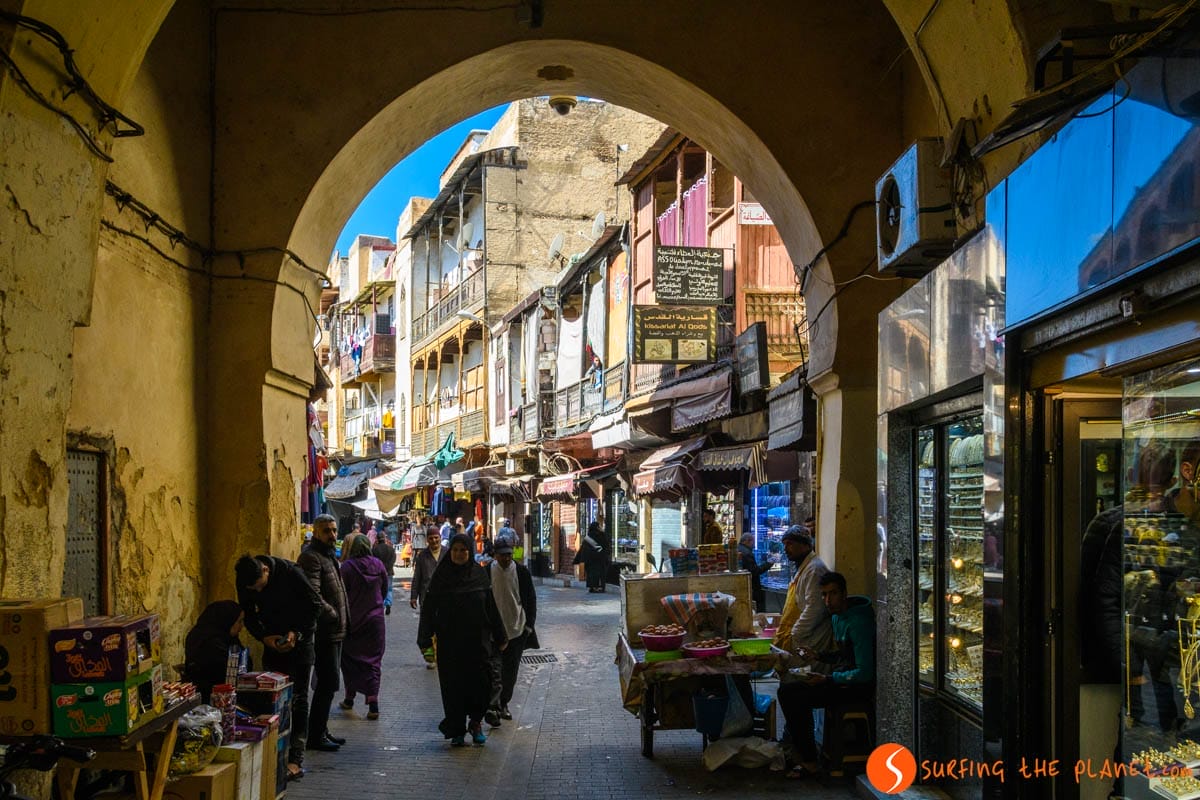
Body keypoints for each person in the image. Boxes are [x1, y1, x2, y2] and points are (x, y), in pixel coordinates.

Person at [777, 571, 875, 779]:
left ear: (844, 593)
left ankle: (809, 760)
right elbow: (844, 655)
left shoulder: (859, 622)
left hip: (856, 688)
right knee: (787, 691)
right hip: (840, 681)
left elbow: (864, 672)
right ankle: (807, 754)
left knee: (792, 696)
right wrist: (818, 656)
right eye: (824, 595)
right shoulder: (838, 617)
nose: (828, 600)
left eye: (833, 594)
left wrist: (828, 679)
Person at [236, 554, 324, 781]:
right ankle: (272, 754)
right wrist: (263, 637)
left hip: (300, 644)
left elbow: (315, 605)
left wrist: (297, 633)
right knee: (269, 698)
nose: (256, 593)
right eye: (252, 590)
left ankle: (295, 759)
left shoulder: (292, 573)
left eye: (259, 587)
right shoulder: (246, 579)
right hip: (273, 644)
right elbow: (249, 615)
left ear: (265, 570)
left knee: (298, 700)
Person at [416, 533, 508, 746]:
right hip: (450, 644)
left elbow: (491, 607)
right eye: (456, 550)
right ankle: (456, 727)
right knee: (453, 687)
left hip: (478, 643)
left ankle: (475, 723)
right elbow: (428, 610)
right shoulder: (441, 577)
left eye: (463, 550)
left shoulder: (479, 575)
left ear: (470, 551)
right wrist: (425, 640)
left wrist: (501, 634)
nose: (459, 554)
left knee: (482, 685)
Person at [297, 514, 350, 755]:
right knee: (327, 683)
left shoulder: (328, 556)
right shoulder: (311, 557)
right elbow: (312, 595)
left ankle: (320, 729)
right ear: (316, 533)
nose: (332, 535)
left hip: (334, 631)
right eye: (327, 531)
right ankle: (315, 735)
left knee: (329, 684)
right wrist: (333, 615)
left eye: (334, 529)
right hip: (324, 632)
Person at [485, 539, 537, 726]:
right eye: (502, 554)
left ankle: (503, 703)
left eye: (509, 554)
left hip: (516, 630)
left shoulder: (521, 572)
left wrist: (528, 627)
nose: (506, 558)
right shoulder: (487, 572)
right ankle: (494, 707)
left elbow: (530, 599)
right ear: (495, 555)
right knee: (495, 670)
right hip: (493, 632)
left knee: (511, 672)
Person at [339, 534, 389, 720]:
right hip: (375, 622)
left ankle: (349, 698)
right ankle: (373, 703)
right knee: (373, 662)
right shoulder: (378, 565)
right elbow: (384, 589)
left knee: (350, 660)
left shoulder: (347, 568)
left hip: (354, 621)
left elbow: (341, 594)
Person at [773, 526, 833, 656]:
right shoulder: (804, 567)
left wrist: (796, 633)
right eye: (784, 544)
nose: (785, 549)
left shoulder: (814, 570)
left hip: (811, 639)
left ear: (805, 545)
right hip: (802, 639)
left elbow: (815, 608)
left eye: (790, 544)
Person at [183, 600, 247, 702]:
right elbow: (233, 669)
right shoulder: (208, 643)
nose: (242, 626)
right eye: (239, 621)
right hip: (208, 698)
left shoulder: (226, 637)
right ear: (227, 621)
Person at [737, 533, 770, 611]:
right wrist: (768, 564)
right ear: (747, 541)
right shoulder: (747, 553)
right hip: (752, 587)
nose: (754, 544)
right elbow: (754, 571)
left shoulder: (738, 549)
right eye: (753, 542)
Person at [574, 520, 608, 593]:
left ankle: (592, 587)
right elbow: (605, 546)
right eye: (599, 526)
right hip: (599, 559)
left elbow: (583, 548)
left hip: (589, 560)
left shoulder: (588, 536)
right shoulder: (600, 535)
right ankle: (599, 587)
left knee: (590, 574)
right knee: (599, 574)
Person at [371, 532, 397, 615]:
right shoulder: (391, 549)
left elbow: (372, 561)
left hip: (378, 572)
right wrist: (388, 568)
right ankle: (388, 603)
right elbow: (393, 560)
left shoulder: (374, 549)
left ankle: (381, 604)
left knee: (379, 589)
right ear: (385, 539)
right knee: (389, 589)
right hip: (389, 572)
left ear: (377, 539)